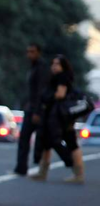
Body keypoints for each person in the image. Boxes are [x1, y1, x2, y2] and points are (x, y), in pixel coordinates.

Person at [31, 55, 86, 184]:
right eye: (53, 63)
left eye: (57, 64)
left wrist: (48, 98)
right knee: (46, 143)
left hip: (61, 118)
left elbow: (60, 94)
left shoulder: (63, 77)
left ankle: (78, 174)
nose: (54, 66)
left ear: (63, 66)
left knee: (70, 142)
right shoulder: (55, 78)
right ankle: (42, 172)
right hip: (55, 117)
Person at [16, 43, 50, 176]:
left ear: (38, 53)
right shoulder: (33, 67)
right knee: (25, 139)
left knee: (43, 140)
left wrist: (37, 111)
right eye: (28, 51)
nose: (29, 54)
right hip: (31, 107)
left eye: (32, 52)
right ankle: (21, 167)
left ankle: (39, 168)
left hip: (36, 110)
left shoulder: (41, 68)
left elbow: (40, 91)